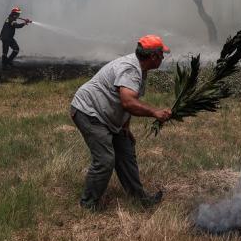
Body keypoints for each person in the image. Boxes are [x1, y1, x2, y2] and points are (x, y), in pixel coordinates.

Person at [70, 35, 172, 210]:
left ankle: (139, 199)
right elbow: (128, 102)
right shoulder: (131, 70)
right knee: (105, 160)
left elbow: (128, 100)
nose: (163, 58)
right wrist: (155, 112)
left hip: (108, 116)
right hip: (89, 112)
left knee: (125, 150)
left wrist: (125, 126)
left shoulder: (140, 69)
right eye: (162, 54)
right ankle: (88, 205)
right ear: (154, 56)